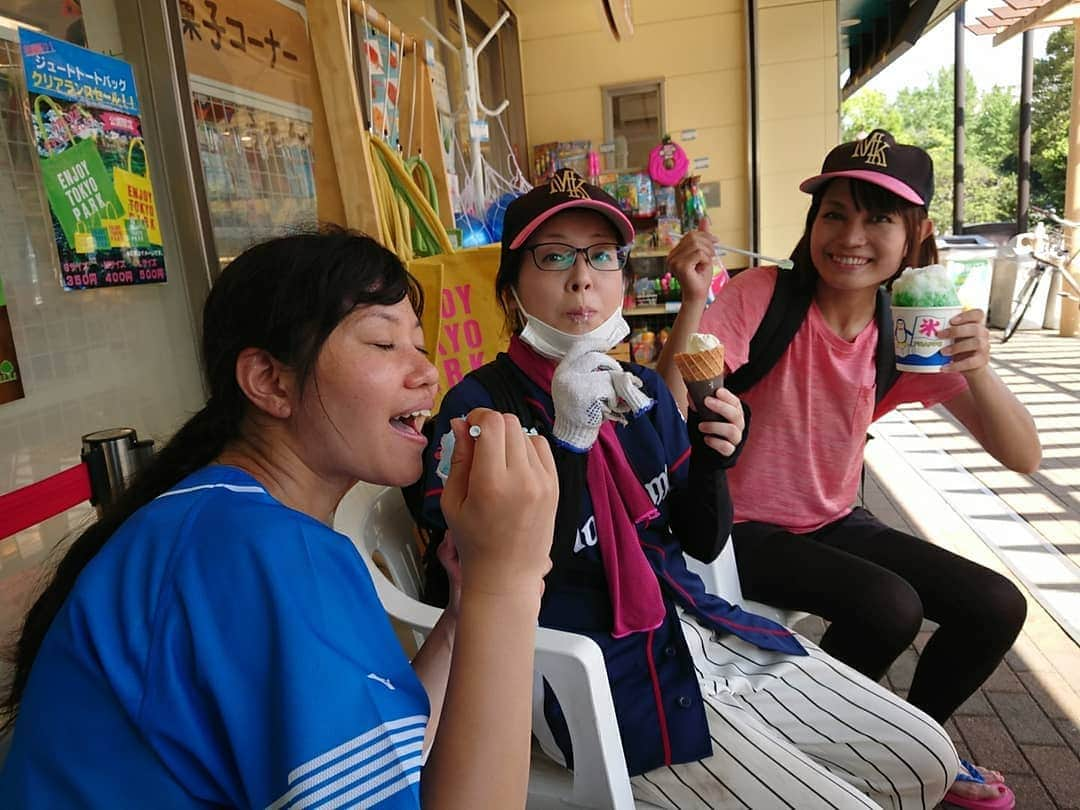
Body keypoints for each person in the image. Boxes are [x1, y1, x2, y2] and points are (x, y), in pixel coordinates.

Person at [416, 169, 961, 809]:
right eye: (554, 255)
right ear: (510, 287)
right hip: (602, 680)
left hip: (706, 630)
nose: (582, 278)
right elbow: (506, 571)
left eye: (602, 257)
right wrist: (567, 440)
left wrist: (711, 459)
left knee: (929, 759)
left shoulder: (642, 392)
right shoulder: (478, 411)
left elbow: (703, 541)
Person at [0, 230, 559, 809]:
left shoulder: (224, 523)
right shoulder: (257, 554)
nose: (426, 374)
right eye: (384, 345)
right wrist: (508, 580)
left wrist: (465, 609)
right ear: (270, 382)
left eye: (418, 346)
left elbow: (378, 752)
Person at [657, 129, 1038, 809]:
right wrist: (692, 302)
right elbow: (672, 393)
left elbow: (1023, 455)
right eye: (835, 213)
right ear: (812, 225)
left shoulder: (908, 329)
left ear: (915, 236)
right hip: (738, 527)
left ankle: (922, 745)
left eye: (879, 218)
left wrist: (980, 369)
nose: (851, 235)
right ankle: (812, 745)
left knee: (996, 605)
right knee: (889, 606)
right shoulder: (763, 294)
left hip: (835, 520)